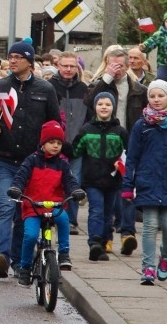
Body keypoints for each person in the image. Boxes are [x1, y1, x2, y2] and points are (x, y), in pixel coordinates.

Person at [0, 41, 61, 279]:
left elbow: (54, 124)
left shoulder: (45, 89)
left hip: (31, 161)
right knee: (5, 207)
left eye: (17, 57)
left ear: (29, 61)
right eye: (10, 57)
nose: (12, 60)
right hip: (2, 159)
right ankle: (0, 257)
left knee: (24, 212)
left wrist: (52, 147)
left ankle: (16, 258)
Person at [122, 79, 167, 286]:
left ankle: (165, 258)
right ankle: (147, 267)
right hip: (148, 182)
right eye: (152, 96)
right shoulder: (141, 125)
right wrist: (128, 185)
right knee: (150, 225)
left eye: (160, 96)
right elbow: (132, 157)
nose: (156, 100)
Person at [85, 46, 148, 256]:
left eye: (121, 65)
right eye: (113, 65)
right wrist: (107, 78)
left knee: (128, 190)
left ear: (128, 65)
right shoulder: (100, 85)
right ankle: (106, 235)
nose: (117, 69)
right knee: (109, 196)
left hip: (129, 141)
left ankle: (128, 234)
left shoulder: (138, 90)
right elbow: (88, 102)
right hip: (107, 144)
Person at [7, 121, 84, 286]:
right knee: (30, 236)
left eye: (59, 143)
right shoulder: (31, 161)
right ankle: (25, 267)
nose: (56, 146)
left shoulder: (63, 165)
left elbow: (70, 181)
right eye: (51, 142)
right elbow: (21, 177)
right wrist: (16, 188)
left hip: (54, 206)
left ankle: (64, 254)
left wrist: (75, 191)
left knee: (64, 220)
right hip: (33, 207)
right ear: (42, 144)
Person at [72, 92, 129, 262]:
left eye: (108, 104)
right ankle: (94, 242)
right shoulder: (87, 130)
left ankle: (104, 242)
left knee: (108, 212)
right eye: (100, 104)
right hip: (92, 180)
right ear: (95, 107)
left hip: (113, 180)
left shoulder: (120, 132)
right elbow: (76, 150)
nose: (104, 107)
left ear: (113, 108)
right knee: (96, 209)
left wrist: (122, 165)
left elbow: (128, 153)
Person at [50, 51, 89, 235]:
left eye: (72, 66)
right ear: (58, 66)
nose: (68, 69)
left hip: (77, 144)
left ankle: (71, 220)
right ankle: (53, 215)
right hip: (54, 143)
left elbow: (88, 118)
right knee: (53, 181)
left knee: (74, 181)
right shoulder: (49, 87)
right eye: (65, 65)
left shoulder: (84, 89)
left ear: (77, 67)